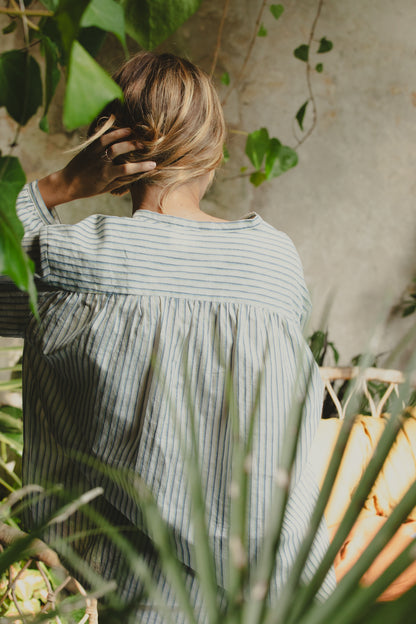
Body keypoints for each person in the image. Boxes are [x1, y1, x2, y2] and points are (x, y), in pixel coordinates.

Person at [0, 52, 335, 621]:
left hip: (138, 605)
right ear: (215, 153)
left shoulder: (64, 260)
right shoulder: (274, 261)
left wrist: (58, 185)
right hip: (291, 601)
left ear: (109, 147)